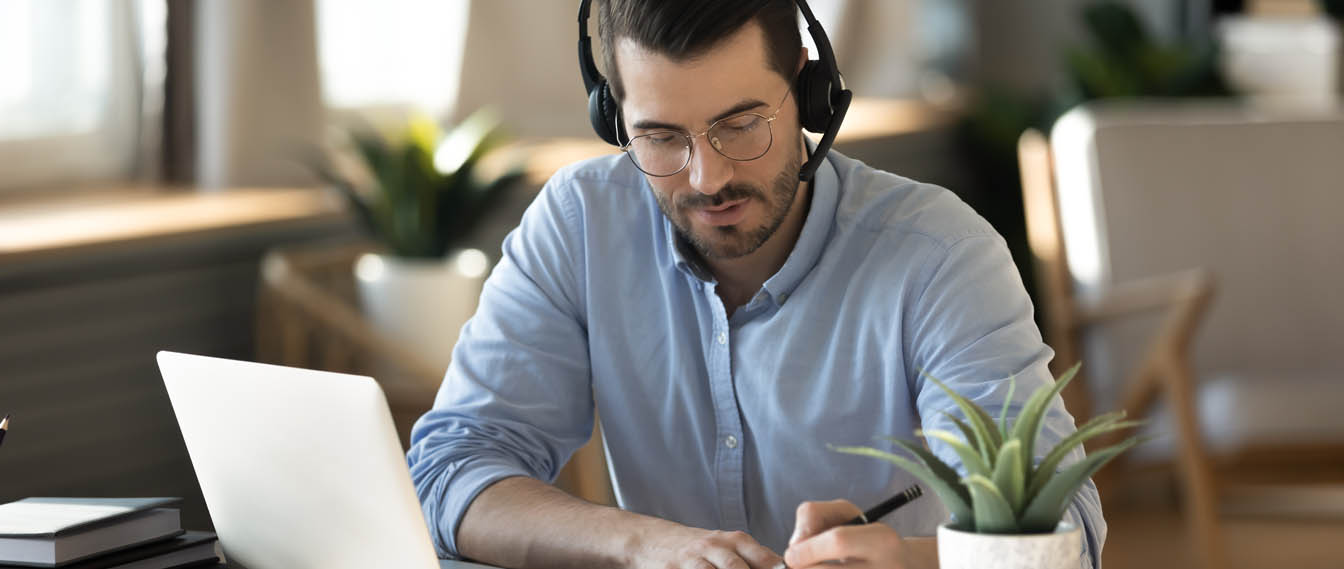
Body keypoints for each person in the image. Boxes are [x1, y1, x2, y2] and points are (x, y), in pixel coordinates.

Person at [406, 1, 1105, 568]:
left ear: (808, 92)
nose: (707, 178)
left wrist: (909, 563)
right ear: (613, 118)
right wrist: (643, 543)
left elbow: (1064, 538)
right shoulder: (579, 223)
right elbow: (452, 468)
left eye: (740, 125)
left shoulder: (939, 254)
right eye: (659, 137)